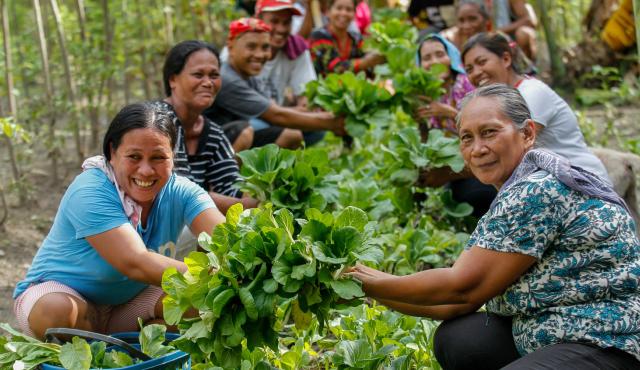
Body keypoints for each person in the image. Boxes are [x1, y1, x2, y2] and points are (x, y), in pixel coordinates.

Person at [348, 84, 640, 369]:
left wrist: (368, 282)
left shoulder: (537, 190)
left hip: (606, 338)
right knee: (459, 340)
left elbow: (463, 289)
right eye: (466, 138)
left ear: (527, 133)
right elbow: (457, 304)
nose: (477, 149)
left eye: (489, 132)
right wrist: (367, 286)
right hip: (549, 324)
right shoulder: (523, 182)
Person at [13, 102, 226, 339]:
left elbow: (226, 237)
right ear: (112, 153)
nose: (146, 170)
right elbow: (135, 262)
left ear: (172, 158)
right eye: (134, 156)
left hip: (127, 304)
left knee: (202, 307)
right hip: (62, 296)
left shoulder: (182, 191)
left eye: (158, 157)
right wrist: (214, 277)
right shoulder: (90, 190)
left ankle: (129, 354)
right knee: (56, 311)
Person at [462, 32, 610, 182]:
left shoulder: (531, 93)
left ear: (506, 59)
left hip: (582, 181)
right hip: (551, 180)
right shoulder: (501, 102)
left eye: (482, 62)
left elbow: (515, 151)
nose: (476, 73)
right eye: (469, 69)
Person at [205, 17, 345, 149]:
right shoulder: (225, 77)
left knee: (301, 133)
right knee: (272, 131)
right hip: (209, 144)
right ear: (231, 47)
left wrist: (319, 115)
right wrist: (331, 122)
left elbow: (272, 108)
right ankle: (225, 174)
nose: (260, 55)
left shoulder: (249, 75)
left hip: (237, 132)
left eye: (265, 47)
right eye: (251, 47)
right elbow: (275, 115)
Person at [160, 40, 258, 214]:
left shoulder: (213, 133)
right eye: (198, 75)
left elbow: (231, 187)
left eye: (214, 75)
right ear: (173, 80)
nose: (208, 82)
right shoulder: (158, 121)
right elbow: (179, 192)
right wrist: (247, 206)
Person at [414, 33, 474, 136]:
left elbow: (483, 124)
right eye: (427, 58)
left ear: (451, 57)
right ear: (420, 65)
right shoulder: (425, 94)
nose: (435, 62)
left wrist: (451, 113)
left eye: (440, 54)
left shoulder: (468, 83)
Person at [308, 0, 385, 76]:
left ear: (354, 14)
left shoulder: (356, 38)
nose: (344, 13)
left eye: (349, 9)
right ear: (328, 12)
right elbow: (334, 68)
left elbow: (370, 67)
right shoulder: (319, 36)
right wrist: (367, 62)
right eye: (339, 8)